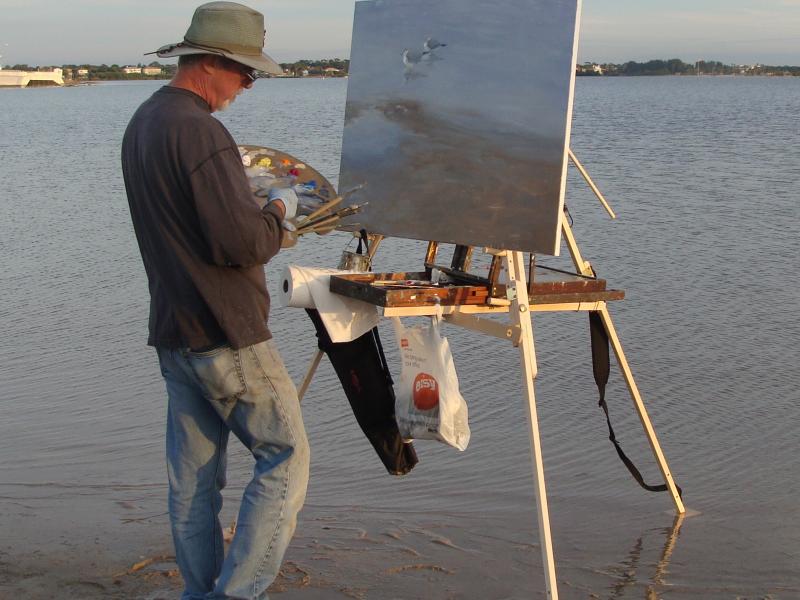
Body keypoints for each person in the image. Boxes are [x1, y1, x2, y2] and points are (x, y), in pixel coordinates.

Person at [120, 3, 309, 599]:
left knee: (194, 482)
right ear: (210, 63)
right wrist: (280, 213)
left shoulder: (146, 120)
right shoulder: (202, 131)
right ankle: (238, 593)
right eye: (246, 74)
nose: (247, 87)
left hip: (174, 331)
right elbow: (239, 243)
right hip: (226, 333)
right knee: (285, 457)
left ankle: (199, 591)